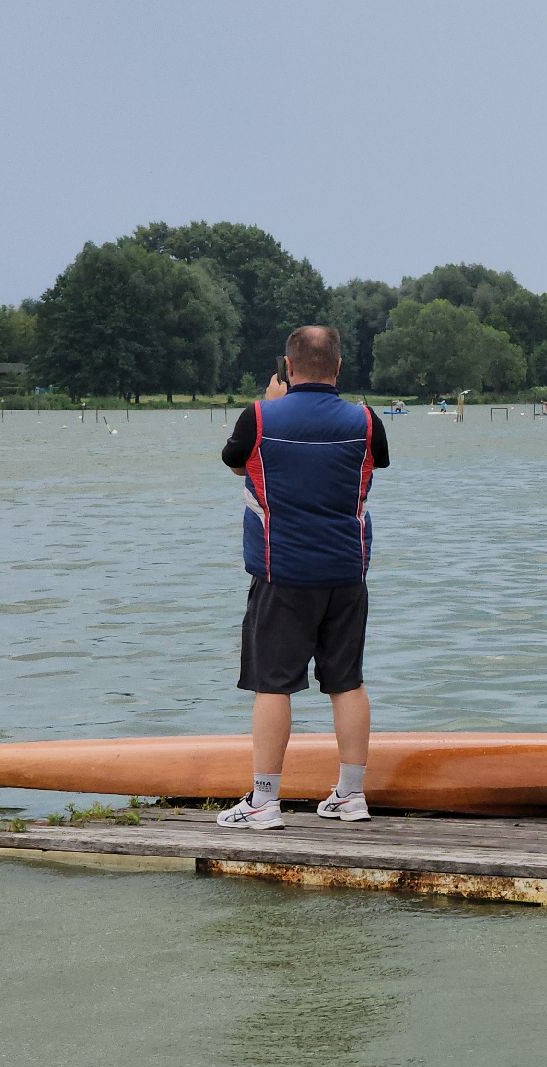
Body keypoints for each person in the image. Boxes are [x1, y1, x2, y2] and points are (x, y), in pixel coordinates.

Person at [216, 326, 389, 830]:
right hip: (346, 573)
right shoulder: (366, 420)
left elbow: (238, 466)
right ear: (338, 367)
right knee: (347, 682)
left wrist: (273, 405)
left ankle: (264, 802)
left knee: (273, 686)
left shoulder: (259, 417)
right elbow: (371, 463)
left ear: (288, 368)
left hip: (281, 573)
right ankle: (350, 796)